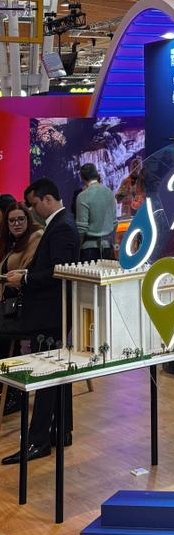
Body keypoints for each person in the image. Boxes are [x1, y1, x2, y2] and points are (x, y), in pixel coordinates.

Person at [1, 178, 81, 465]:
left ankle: (38, 441)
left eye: (34, 205)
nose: (32, 211)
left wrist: (24, 279)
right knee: (55, 373)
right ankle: (60, 432)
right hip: (50, 312)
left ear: (47, 199)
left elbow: (58, 273)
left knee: (46, 374)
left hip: (50, 314)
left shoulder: (62, 227)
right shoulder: (59, 225)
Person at [75, 163, 117, 262]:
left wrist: (77, 249)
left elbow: (81, 229)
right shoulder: (110, 193)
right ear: (97, 174)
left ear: (82, 177)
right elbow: (114, 223)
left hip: (89, 250)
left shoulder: (82, 196)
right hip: (108, 248)